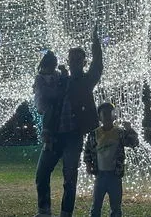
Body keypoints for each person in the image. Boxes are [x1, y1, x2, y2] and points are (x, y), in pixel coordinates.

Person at [35, 25, 104, 217]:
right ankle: (44, 211)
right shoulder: (60, 81)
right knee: (42, 174)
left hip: (73, 137)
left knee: (70, 178)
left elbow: (98, 65)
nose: (73, 62)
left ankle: (66, 213)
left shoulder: (86, 80)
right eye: (71, 59)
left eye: (77, 60)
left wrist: (95, 42)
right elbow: (45, 100)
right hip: (54, 135)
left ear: (83, 62)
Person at [83, 102, 139, 217]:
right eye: (104, 113)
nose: (108, 116)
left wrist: (130, 130)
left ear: (114, 116)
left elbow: (134, 143)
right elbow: (87, 150)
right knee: (96, 205)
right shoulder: (94, 134)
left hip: (115, 175)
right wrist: (88, 164)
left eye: (110, 113)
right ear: (100, 116)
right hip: (100, 175)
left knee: (116, 207)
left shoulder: (120, 133)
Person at [33, 50, 68, 148]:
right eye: (50, 67)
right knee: (49, 111)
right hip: (44, 101)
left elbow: (64, 80)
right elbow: (43, 91)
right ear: (44, 66)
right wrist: (57, 92)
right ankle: (46, 131)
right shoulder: (39, 78)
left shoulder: (56, 74)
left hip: (55, 100)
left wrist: (64, 71)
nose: (52, 69)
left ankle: (53, 136)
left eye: (54, 67)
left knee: (56, 114)